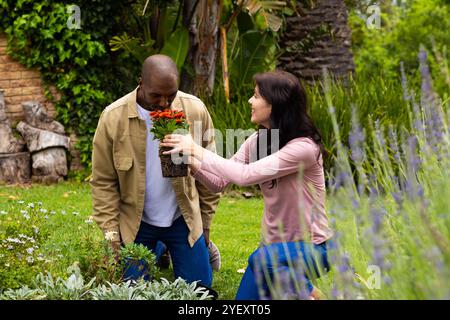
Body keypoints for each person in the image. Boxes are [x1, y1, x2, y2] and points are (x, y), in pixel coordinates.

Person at [161, 70, 334, 300]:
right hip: (269, 254)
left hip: (312, 249)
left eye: (256, 96)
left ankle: (313, 296)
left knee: (262, 259)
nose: (250, 101)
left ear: (276, 104)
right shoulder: (258, 142)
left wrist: (196, 149)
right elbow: (219, 182)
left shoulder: (304, 148)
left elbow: (244, 175)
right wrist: (189, 162)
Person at [90, 54, 221, 292]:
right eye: (156, 96)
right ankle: (159, 248)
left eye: (170, 95)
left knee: (201, 292)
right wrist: (112, 237)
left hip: (182, 220)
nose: (163, 103)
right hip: (137, 224)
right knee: (133, 292)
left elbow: (210, 172)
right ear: (141, 82)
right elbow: (103, 182)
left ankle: (178, 247)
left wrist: (206, 227)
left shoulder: (195, 110)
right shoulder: (113, 117)